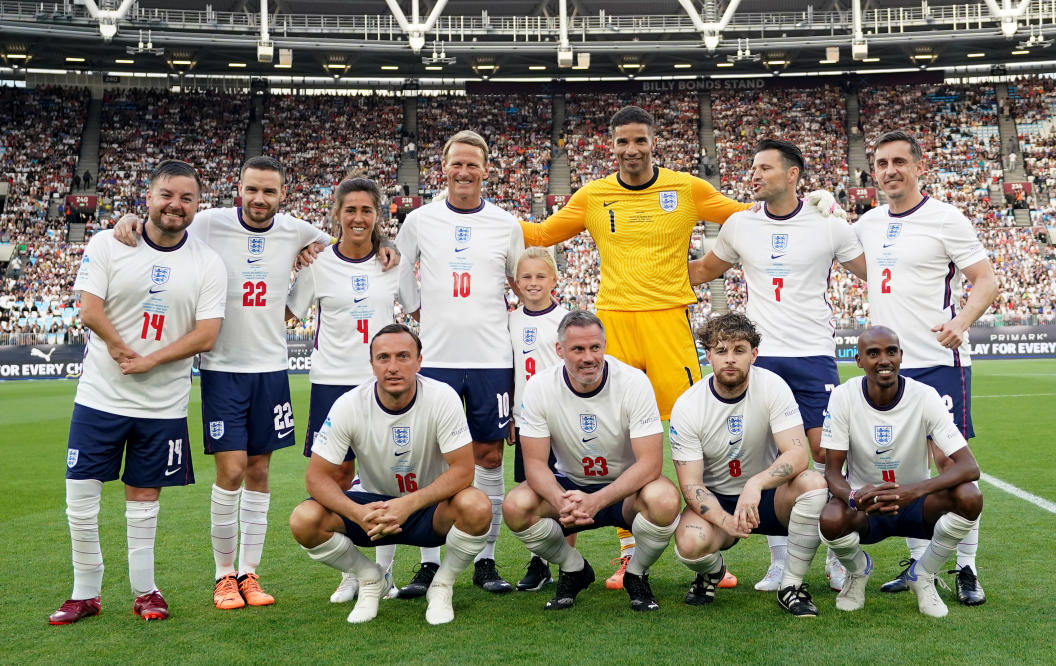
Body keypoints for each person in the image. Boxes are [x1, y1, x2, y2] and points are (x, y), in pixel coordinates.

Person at [519, 105, 842, 588]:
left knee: (700, 429)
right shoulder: (593, 195)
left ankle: (713, 539)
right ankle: (628, 554)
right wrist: (481, 216)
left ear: (654, 143)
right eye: (623, 141)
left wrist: (815, 204)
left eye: (640, 140)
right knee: (619, 440)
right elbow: (543, 234)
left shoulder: (686, 189)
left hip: (670, 324)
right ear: (612, 145)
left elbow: (751, 218)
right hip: (615, 324)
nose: (632, 150)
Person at [112, 157, 354, 610]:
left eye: (270, 192)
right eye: (252, 190)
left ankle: (250, 573)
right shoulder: (207, 222)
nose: (260, 200)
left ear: (283, 195)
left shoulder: (298, 230)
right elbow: (160, 226)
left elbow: (337, 242)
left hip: (271, 370)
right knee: (231, 470)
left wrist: (320, 250)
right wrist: (128, 219)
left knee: (260, 471)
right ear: (238, 189)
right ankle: (224, 576)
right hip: (222, 367)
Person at [49, 160, 226, 624]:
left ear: (197, 205)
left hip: (162, 404)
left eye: (187, 198)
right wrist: (122, 348)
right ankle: (84, 591)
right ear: (148, 196)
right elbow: (89, 309)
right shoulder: (108, 242)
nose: (176, 205)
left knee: (144, 501)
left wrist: (149, 360)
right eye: (167, 194)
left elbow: (207, 334)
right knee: (80, 498)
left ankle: (145, 591)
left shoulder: (207, 261)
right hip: (99, 397)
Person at [687, 139, 867, 592]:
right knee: (769, 456)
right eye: (753, 167)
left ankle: (835, 552)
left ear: (793, 175)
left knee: (825, 456)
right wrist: (638, 264)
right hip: (761, 359)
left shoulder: (829, 224)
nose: (754, 174)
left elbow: (877, 270)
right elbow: (701, 271)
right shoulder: (739, 225)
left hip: (813, 355)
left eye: (765, 167)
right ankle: (780, 559)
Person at [854, 131, 997, 606]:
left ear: (918, 166)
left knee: (950, 467)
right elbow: (868, 268)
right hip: (888, 368)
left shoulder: (945, 217)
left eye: (899, 161)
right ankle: (923, 567)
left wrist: (961, 321)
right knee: (906, 465)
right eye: (881, 163)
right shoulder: (869, 222)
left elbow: (986, 280)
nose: (890, 170)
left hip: (936, 360)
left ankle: (967, 568)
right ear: (873, 171)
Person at [288, 324, 491, 625]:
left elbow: (464, 471)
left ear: (419, 361)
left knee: (477, 506)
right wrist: (356, 512)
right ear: (371, 364)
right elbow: (316, 478)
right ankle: (370, 577)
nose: (393, 367)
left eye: (403, 356)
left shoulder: (441, 397)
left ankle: (442, 584)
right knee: (303, 520)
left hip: (428, 510)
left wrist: (408, 504)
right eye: (383, 357)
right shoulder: (349, 404)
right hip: (372, 511)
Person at [395, 130, 524, 595]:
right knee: (432, 459)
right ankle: (429, 561)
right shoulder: (420, 220)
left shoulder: (506, 223)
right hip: (438, 358)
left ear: (486, 170)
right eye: (457, 164)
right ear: (443, 167)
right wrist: (417, 313)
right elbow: (396, 266)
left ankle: (485, 560)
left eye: (473, 164)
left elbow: (520, 279)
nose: (465, 172)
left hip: (491, 356)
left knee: (490, 455)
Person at [285, 177, 417, 603]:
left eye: (366, 210)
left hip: (383, 382)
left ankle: (385, 571)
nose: (358, 218)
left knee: (386, 476)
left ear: (377, 215)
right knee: (336, 478)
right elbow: (287, 314)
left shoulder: (392, 263)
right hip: (330, 381)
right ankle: (352, 571)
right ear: (337, 214)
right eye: (350, 210)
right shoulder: (318, 264)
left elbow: (418, 310)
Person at [503, 311, 681, 612]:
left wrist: (596, 501)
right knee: (515, 506)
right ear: (559, 351)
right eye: (578, 349)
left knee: (664, 499)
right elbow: (534, 464)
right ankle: (573, 568)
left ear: (604, 346)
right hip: (569, 487)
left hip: (624, 488)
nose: (589, 357)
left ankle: (637, 573)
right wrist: (562, 502)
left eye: (595, 348)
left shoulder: (633, 382)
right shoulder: (540, 387)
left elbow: (650, 463)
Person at [668, 312, 828, 617]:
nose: (730, 359)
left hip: (769, 497)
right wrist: (726, 521)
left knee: (813, 484)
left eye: (739, 350)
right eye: (721, 351)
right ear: (708, 356)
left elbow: (797, 455)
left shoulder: (772, 386)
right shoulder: (688, 405)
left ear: (753, 354)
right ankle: (712, 572)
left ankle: (791, 585)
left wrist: (756, 484)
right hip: (720, 501)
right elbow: (691, 485)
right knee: (689, 542)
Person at [819, 326, 983, 618]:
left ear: (901, 356)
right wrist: (855, 497)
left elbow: (969, 467)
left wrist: (914, 491)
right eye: (873, 353)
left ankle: (923, 575)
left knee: (970, 497)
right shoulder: (844, 397)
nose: (884, 360)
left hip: (917, 505)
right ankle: (858, 573)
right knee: (830, 518)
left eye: (891, 352)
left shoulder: (925, 395)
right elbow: (832, 473)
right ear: (858, 360)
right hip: (867, 506)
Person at [507, 246, 568, 591]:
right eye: (526, 277)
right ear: (516, 282)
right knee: (532, 492)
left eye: (540, 276)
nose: (533, 283)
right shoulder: (510, 320)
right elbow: (511, 372)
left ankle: (566, 568)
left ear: (554, 280)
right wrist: (511, 416)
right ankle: (540, 560)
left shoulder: (565, 321)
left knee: (562, 490)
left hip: (561, 420)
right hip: (527, 421)